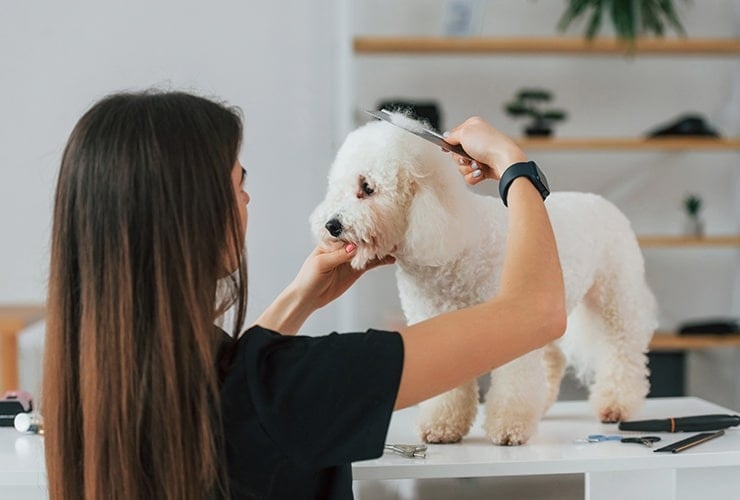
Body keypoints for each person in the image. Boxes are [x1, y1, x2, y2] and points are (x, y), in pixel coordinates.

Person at [43, 90, 565, 500]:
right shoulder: (296, 389)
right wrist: (515, 168)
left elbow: (237, 383)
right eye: (239, 182)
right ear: (195, 216)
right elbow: (536, 312)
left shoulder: (89, 379)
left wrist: (299, 298)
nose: (247, 198)